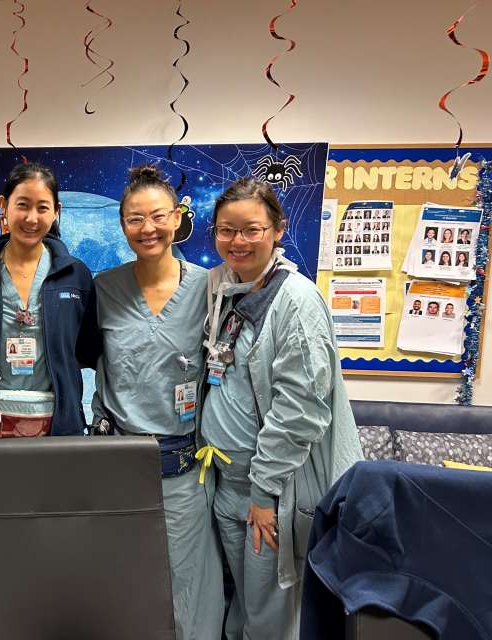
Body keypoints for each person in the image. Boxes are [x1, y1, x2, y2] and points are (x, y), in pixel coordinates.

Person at [200, 178, 362, 640]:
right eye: (227, 230)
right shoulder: (226, 291)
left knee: (273, 615)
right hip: (228, 485)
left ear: (277, 229)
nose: (238, 241)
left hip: (271, 492)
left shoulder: (295, 300)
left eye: (251, 229)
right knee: (246, 605)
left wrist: (264, 494)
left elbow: (301, 409)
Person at [91, 166, 224, 640]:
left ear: (177, 218)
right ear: (122, 224)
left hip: (182, 466)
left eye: (157, 216)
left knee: (191, 583)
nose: (147, 228)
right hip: (116, 463)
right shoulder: (103, 289)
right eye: (134, 219)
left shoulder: (212, 289)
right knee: (121, 579)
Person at [0, 162, 98, 439]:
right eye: (23, 205)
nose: (32, 218)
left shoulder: (75, 276)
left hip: (59, 425)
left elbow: (86, 349)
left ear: (56, 211)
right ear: (3, 206)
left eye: (43, 208)